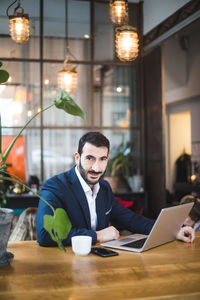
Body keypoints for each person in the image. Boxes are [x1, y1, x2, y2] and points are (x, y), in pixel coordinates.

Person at [36, 132, 195, 247]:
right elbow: (45, 235)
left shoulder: (104, 188)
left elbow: (131, 220)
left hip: (102, 263)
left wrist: (174, 230)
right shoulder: (54, 186)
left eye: (102, 159)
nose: (96, 168)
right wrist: (97, 235)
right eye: (90, 158)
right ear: (77, 157)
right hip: (65, 266)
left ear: (107, 159)